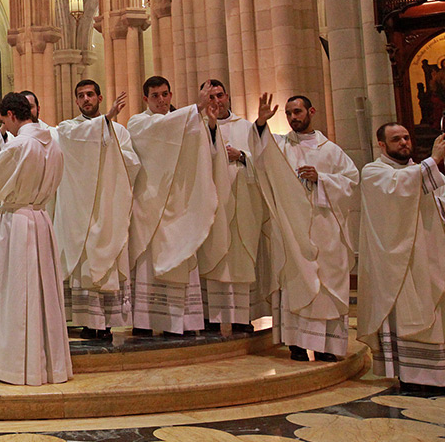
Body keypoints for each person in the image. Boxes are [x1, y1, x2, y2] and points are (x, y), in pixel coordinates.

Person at [0, 92, 70, 385]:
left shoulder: (19, 145)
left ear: (9, 115)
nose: (3, 126)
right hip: (42, 220)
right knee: (43, 294)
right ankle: (50, 365)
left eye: (3, 121)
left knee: (19, 291)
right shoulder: (52, 144)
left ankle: (20, 367)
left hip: (19, 223)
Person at [252, 93, 357, 362]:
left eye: (297, 112)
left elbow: (352, 182)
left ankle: (325, 346)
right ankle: (297, 344)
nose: (292, 118)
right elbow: (260, 155)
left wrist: (321, 179)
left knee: (325, 285)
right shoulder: (282, 146)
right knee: (296, 282)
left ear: (311, 111)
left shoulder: (330, 150)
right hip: (292, 232)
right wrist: (262, 123)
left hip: (325, 230)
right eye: (288, 113)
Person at [127, 77, 219, 336]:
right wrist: (196, 108)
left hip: (179, 203)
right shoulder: (138, 122)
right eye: (155, 95)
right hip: (150, 202)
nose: (161, 100)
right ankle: (145, 321)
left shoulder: (188, 121)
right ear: (145, 99)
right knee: (148, 261)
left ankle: (181, 322)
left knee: (180, 253)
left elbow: (205, 154)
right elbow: (161, 129)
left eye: (165, 94)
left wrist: (205, 119)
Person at [358, 124, 445, 394]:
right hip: (397, 264)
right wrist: (434, 160)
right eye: (396, 139)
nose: (404, 143)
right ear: (382, 145)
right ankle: (410, 375)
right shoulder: (373, 172)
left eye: (406, 137)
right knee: (408, 314)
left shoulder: (422, 170)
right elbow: (399, 188)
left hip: (428, 257)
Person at [55, 81, 140, 340]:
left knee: (107, 259)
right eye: (80, 96)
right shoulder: (68, 129)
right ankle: (87, 320)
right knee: (84, 264)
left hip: (107, 204)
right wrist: (105, 122)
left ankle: (107, 321)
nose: (85, 99)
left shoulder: (120, 132)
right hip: (80, 207)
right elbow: (71, 150)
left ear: (100, 97)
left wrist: (109, 150)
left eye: (90, 94)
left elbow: (132, 163)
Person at [197, 80, 265, 332]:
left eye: (219, 95)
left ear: (227, 96)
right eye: (210, 97)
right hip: (212, 204)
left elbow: (263, 160)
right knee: (211, 255)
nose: (216, 101)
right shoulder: (200, 127)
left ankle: (240, 316)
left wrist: (242, 156)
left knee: (238, 258)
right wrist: (213, 128)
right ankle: (210, 316)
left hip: (241, 202)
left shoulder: (246, 127)